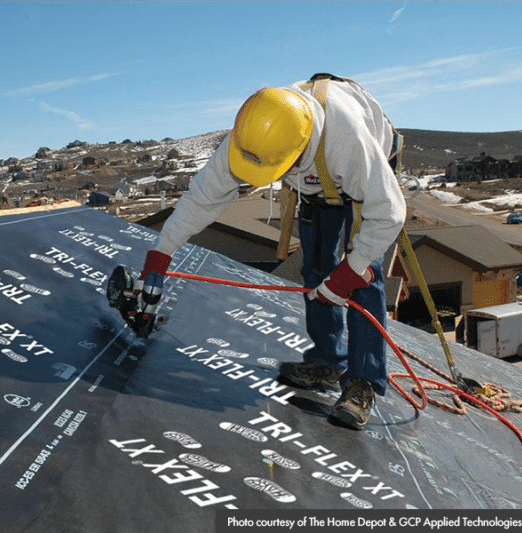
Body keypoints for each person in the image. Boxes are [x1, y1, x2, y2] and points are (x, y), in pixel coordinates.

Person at [134, 74, 406, 430]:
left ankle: (362, 382)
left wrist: (348, 274)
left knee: (359, 278)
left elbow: (388, 213)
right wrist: (160, 254)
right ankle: (327, 361)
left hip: (360, 188)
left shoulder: (348, 140)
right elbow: (202, 198)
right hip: (315, 188)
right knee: (316, 270)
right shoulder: (254, 133)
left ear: (299, 149)